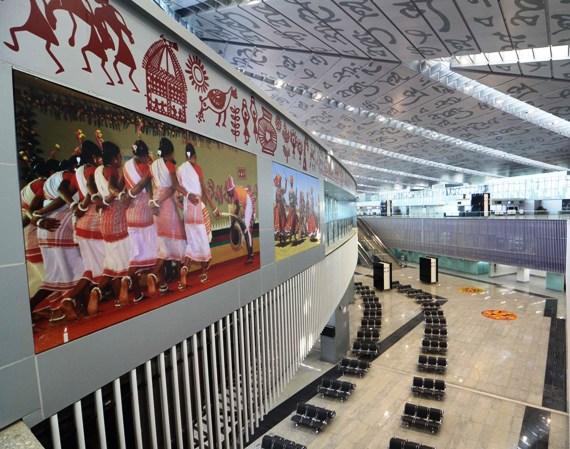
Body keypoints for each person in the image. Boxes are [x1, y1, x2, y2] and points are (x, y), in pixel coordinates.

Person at [57, 140, 106, 316]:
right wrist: (83, 205)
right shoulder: (92, 170)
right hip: (94, 224)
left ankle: (70, 300)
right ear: (94, 156)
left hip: (81, 225)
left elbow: (63, 190)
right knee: (108, 265)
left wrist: (73, 206)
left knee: (90, 268)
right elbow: (93, 192)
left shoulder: (77, 172)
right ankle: (93, 296)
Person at [33, 158, 84, 320]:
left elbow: (32, 208)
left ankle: (34, 308)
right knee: (81, 271)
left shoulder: (48, 182)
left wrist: (39, 216)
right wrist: (73, 205)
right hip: (58, 229)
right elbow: (64, 191)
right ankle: (68, 305)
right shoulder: (68, 176)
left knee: (56, 277)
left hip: (47, 229)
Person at [93, 141, 133, 310]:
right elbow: (112, 188)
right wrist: (121, 194)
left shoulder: (97, 171)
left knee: (112, 264)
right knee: (125, 261)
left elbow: (99, 195)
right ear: (115, 158)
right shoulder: (112, 171)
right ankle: (125, 292)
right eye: (119, 156)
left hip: (105, 221)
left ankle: (97, 291)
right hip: (118, 219)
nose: (121, 159)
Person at [177, 143, 219, 287]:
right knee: (204, 243)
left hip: (188, 213)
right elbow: (205, 192)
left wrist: (183, 205)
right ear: (195, 155)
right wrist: (214, 208)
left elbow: (178, 195)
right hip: (199, 211)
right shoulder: (197, 169)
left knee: (191, 244)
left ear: (185, 155)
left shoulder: (180, 170)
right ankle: (204, 273)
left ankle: (184, 269)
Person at [150, 137, 186, 292]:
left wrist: (155, 202)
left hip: (156, 207)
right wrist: (188, 193)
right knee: (178, 244)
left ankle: (161, 282)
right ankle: (181, 279)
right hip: (167, 208)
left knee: (161, 247)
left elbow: (154, 187)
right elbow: (173, 187)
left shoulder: (153, 166)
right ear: (170, 152)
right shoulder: (170, 165)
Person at [20, 159, 59, 299]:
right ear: (51, 173)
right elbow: (30, 212)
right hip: (30, 232)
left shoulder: (32, 184)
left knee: (35, 276)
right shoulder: (41, 185)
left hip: (26, 233)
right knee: (49, 276)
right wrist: (40, 221)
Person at [123, 140, 157, 297]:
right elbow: (147, 187)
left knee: (134, 257)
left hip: (130, 216)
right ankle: (153, 282)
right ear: (143, 155)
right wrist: (151, 201)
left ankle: (134, 292)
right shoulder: (145, 168)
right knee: (153, 253)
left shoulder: (126, 166)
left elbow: (126, 189)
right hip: (144, 216)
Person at [225, 176, 254, 264]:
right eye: (227, 192)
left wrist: (233, 223)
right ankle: (251, 253)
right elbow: (237, 210)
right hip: (244, 207)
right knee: (245, 229)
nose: (228, 194)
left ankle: (250, 255)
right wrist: (234, 222)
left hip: (248, 205)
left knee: (246, 230)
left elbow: (237, 210)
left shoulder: (236, 193)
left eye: (228, 192)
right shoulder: (234, 193)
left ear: (231, 190)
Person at [273, 174, 287, 245]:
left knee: (283, 219)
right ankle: (279, 235)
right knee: (279, 220)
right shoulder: (277, 190)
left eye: (280, 181)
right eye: (279, 181)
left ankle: (282, 234)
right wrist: (280, 199)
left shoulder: (280, 190)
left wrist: (286, 182)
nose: (280, 183)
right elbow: (278, 199)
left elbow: (285, 191)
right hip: (278, 207)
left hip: (281, 207)